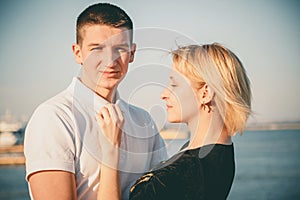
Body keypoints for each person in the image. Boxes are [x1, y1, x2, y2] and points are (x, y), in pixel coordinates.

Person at [24, 3, 167, 200]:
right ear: (78, 53)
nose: (110, 60)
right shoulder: (54, 118)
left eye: (120, 48)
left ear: (132, 53)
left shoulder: (144, 121)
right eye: (97, 49)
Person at [97, 43, 252, 199]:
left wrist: (111, 151)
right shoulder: (220, 151)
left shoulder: (176, 176)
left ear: (205, 93)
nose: (163, 94)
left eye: (174, 84)